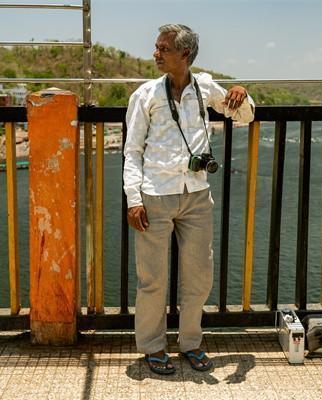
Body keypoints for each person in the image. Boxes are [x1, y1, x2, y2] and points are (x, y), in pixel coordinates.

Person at [123, 24, 255, 375]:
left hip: (196, 195)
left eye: (162, 48)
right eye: (156, 47)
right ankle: (152, 347)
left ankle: (190, 343)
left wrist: (242, 94)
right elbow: (132, 150)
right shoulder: (145, 95)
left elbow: (244, 116)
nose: (155, 53)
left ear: (184, 54)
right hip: (155, 196)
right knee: (152, 278)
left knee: (198, 276)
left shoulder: (205, 88)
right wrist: (133, 198)